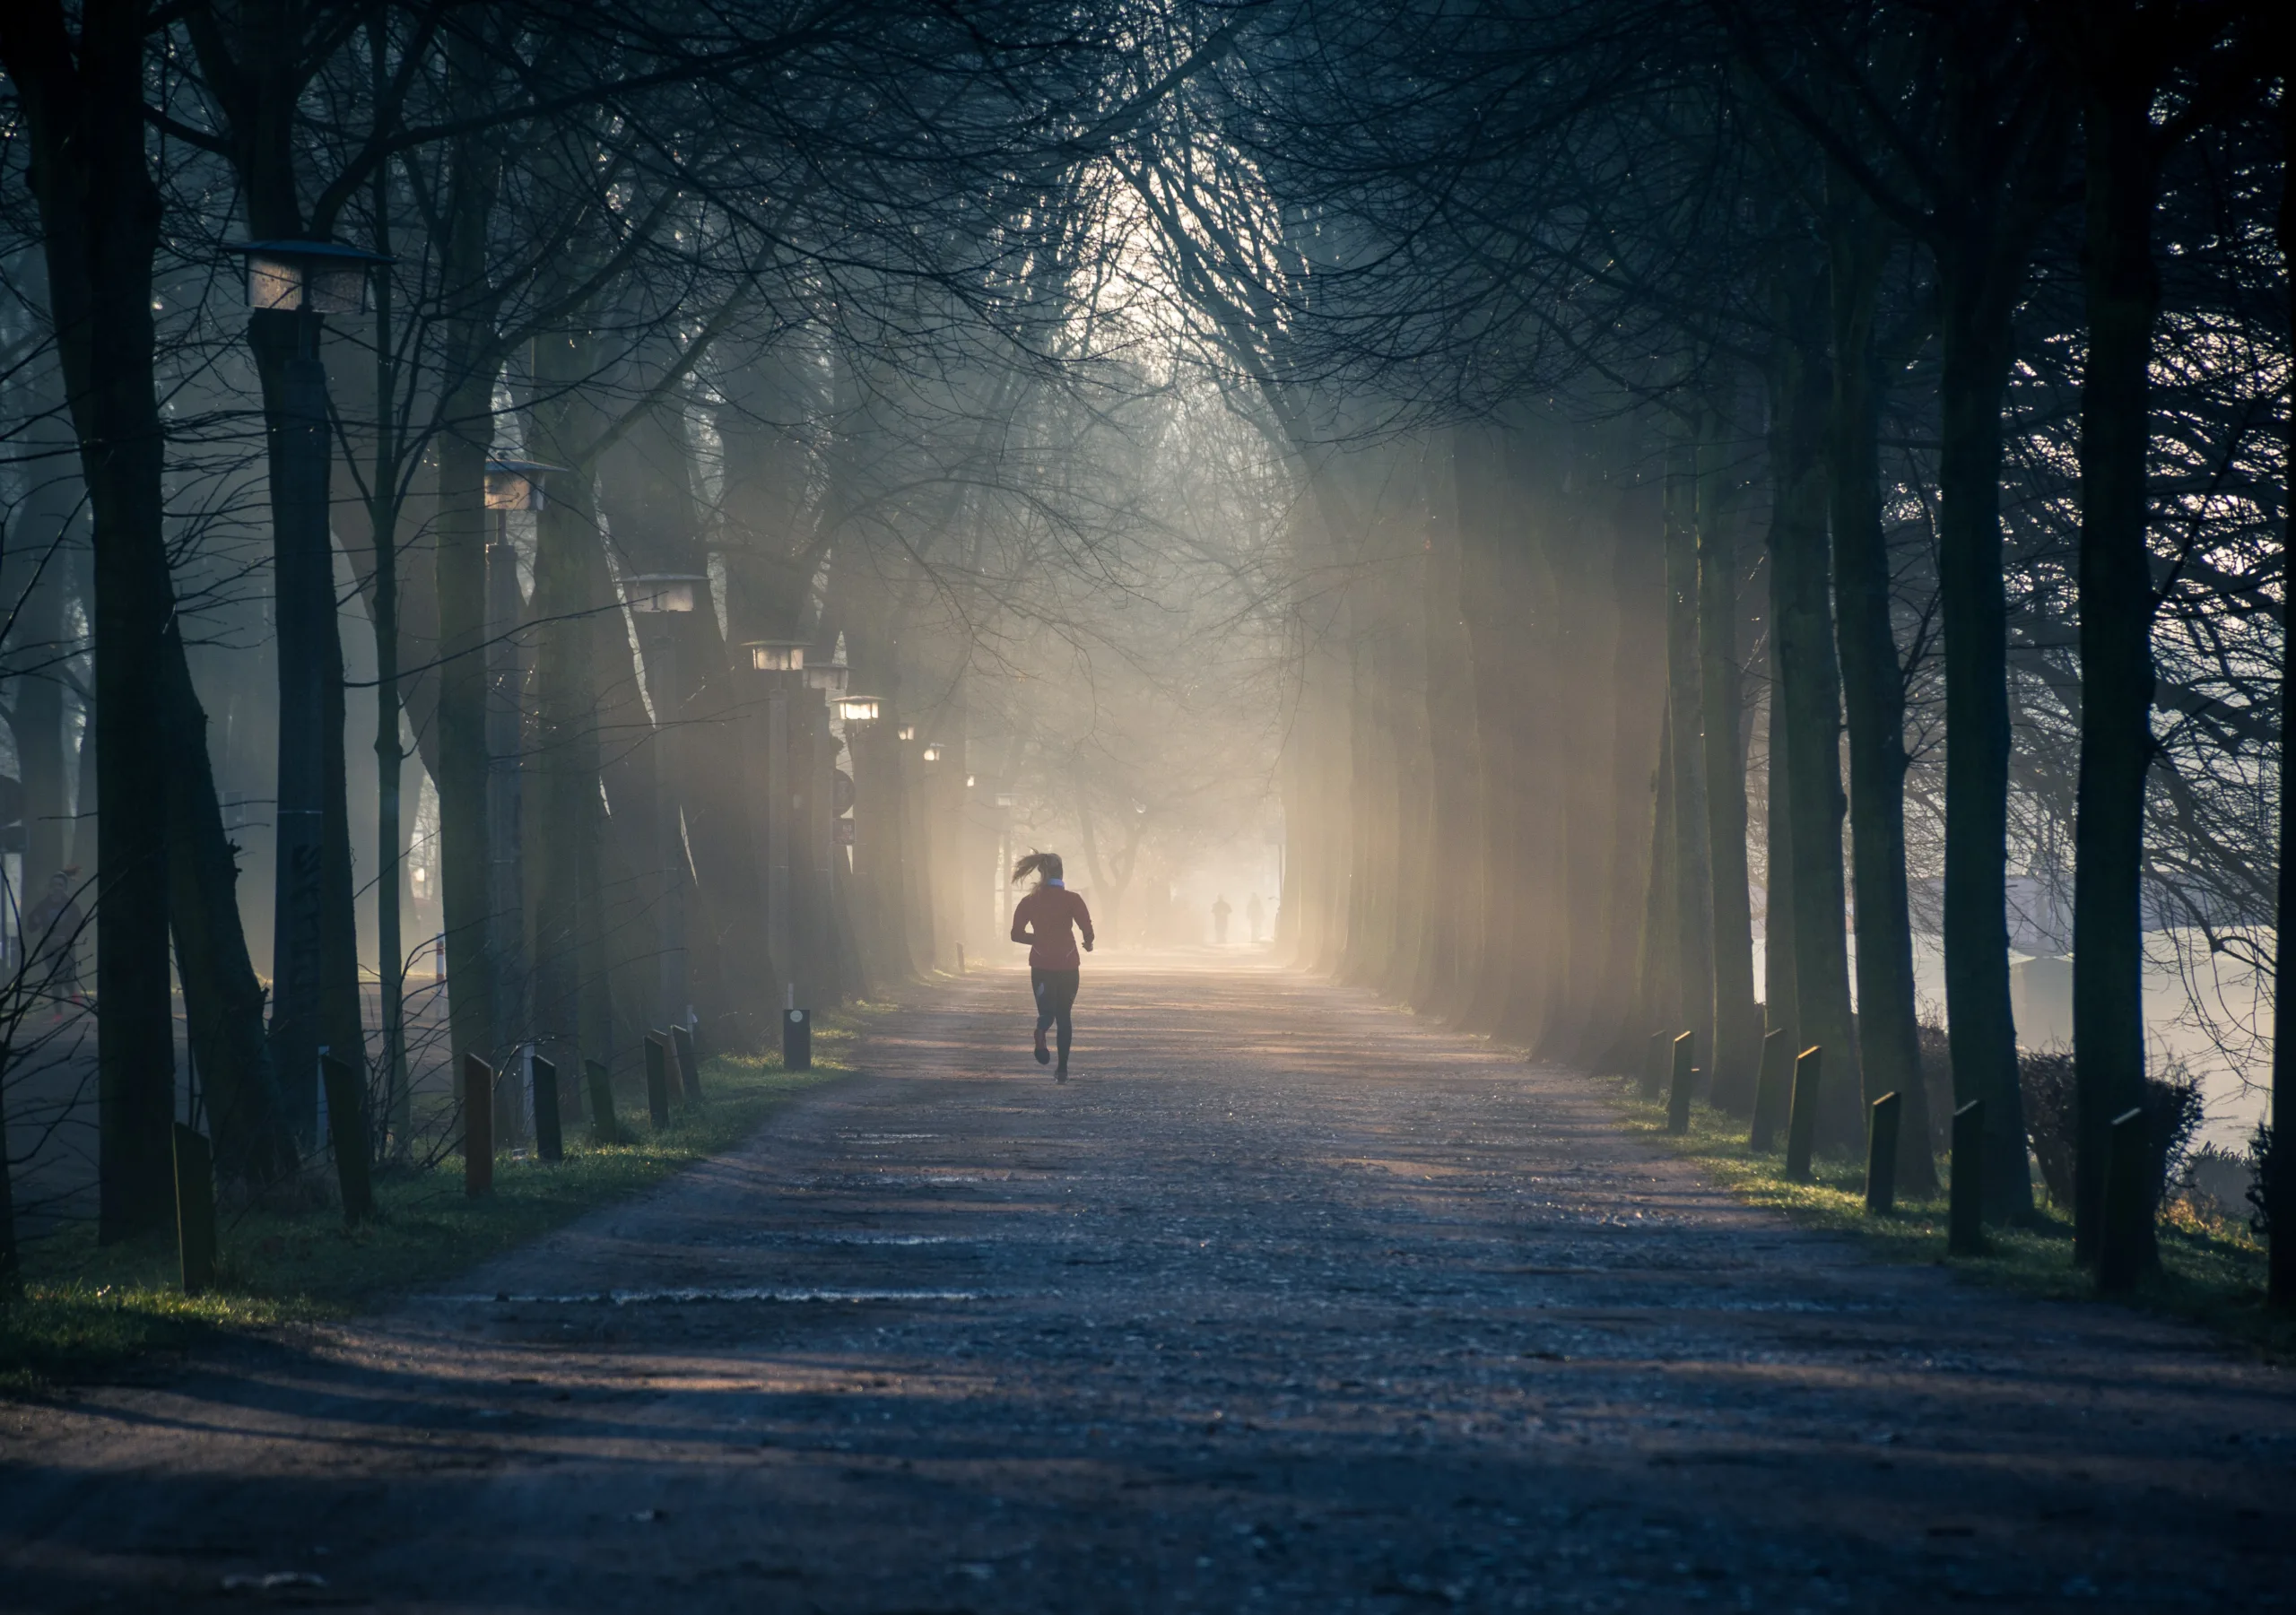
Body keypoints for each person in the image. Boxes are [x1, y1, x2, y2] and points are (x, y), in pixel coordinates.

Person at [1009, 850, 1093, 1081]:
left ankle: (1041, 1030)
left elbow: (1015, 934)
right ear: (1061, 873)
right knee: (1064, 1016)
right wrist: (1088, 942)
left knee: (1047, 1012)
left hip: (1041, 963)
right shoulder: (1073, 899)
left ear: (1041, 873)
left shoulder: (1029, 901)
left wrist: (1036, 940)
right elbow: (1086, 926)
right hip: (1068, 963)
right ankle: (1062, 1070)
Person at [23, 868, 85, 1008]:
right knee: (54, 977)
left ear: (65, 888)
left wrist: (68, 937)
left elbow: (79, 924)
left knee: (67, 976)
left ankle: (73, 995)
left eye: (60, 885)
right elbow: (31, 926)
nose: (57, 888)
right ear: (50, 887)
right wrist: (36, 922)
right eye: (54, 885)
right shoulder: (43, 905)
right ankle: (58, 1012)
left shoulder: (72, 906)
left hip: (67, 947)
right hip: (49, 947)